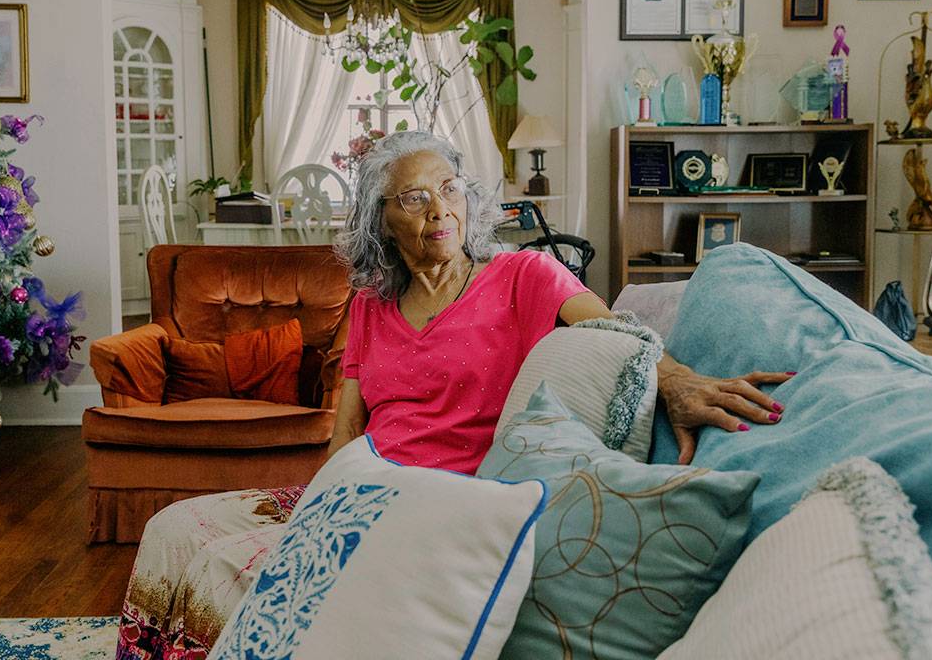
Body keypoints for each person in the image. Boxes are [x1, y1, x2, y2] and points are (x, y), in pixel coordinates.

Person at [115, 131, 790, 660]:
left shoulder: (524, 276)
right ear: (381, 220)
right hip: (361, 488)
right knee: (173, 529)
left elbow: (616, 333)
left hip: (440, 500)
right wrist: (314, 514)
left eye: (450, 188)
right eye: (414, 197)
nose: (440, 208)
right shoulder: (372, 303)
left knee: (222, 569)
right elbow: (345, 431)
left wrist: (673, 380)